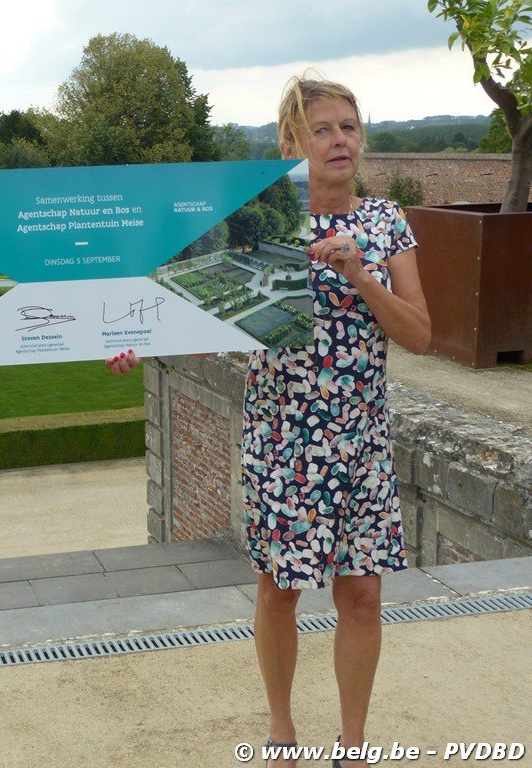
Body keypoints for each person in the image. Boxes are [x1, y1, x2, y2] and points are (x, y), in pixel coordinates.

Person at [107, 76, 430, 768]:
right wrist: (141, 341)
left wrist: (361, 276)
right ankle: (282, 730)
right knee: (278, 590)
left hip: (362, 441)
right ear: (292, 143)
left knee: (363, 595)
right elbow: (203, 314)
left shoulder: (385, 222)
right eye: (323, 129)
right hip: (283, 437)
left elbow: (422, 335)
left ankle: (352, 745)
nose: (340, 139)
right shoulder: (262, 221)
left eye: (349, 125)